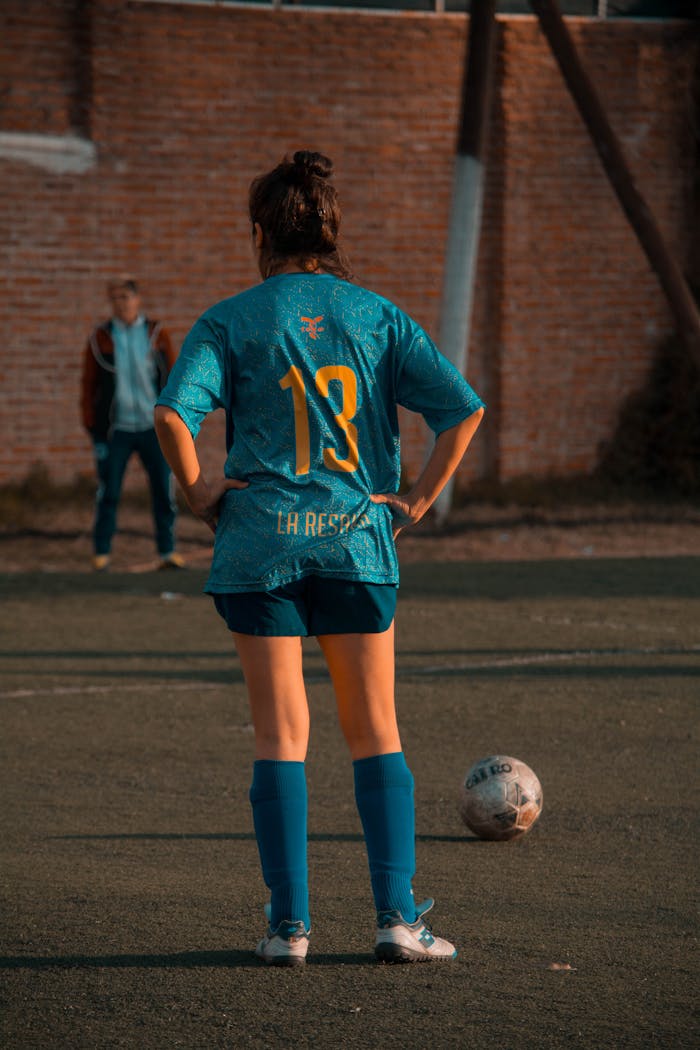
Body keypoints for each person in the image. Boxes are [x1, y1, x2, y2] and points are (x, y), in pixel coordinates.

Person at [154, 151, 485, 966]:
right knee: (375, 730)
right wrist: (414, 500)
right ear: (331, 232)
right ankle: (398, 921)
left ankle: (288, 929)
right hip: (353, 542)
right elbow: (462, 411)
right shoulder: (376, 315)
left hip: (258, 542)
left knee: (280, 737)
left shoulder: (231, 318)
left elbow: (171, 415)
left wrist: (200, 493)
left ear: (260, 231)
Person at [80, 276, 184, 571]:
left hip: (154, 429)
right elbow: (88, 387)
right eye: (114, 298)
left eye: (125, 297)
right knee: (109, 491)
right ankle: (102, 553)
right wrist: (95, 432)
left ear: (137, 300)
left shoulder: (156, 334)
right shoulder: (100, 338)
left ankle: (168, 551)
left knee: (163, 491)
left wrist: (175, 419)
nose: (120, 303)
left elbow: (174, 378)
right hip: (118, 430)